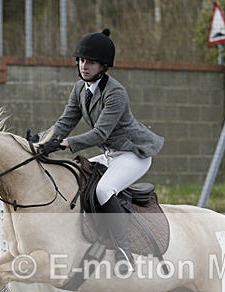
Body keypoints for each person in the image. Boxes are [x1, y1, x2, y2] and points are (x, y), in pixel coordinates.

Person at [34, 28, 164, 274]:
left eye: (91, 62)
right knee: (74, 174)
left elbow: (100, 134)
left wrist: (65, 144)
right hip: (110, 154)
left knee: (104, 189)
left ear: (103, 66)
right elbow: (64, 123)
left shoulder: (115, 93)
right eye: (82, 60)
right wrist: (40, 140)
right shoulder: (79, 89)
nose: (84, 66)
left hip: (132, 154)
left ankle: (124, 250)